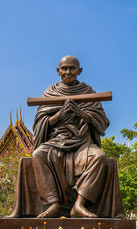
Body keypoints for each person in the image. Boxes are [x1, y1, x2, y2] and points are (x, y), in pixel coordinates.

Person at [31, 55, 110, 218]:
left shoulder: (88, 93)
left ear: (79, 71)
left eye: (72, 68)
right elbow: (40, 124)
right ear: (58, 71)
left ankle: (79, 205)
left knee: (99, 156)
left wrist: (79, 112)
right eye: (64, 68)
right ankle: (53, 204)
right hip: (56, 141)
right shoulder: (50, 93)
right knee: (38, 154)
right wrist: (59, 114)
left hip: (82, 142)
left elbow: (101, 122)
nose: (68, 72)